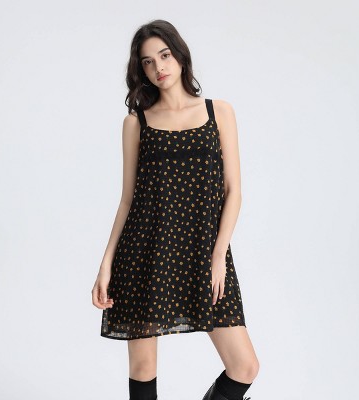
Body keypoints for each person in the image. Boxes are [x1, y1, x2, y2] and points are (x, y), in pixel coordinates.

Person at [92, 19, 259, 400]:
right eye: (148, 62)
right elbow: (128, 200)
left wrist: (218, 255)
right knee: (143, 368)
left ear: (180, 55)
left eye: (164, 55)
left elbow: (233, 191)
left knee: (245, 366)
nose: (159, 67)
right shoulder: (136, 123)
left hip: (203, 252)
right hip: (145, 252)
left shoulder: (219, 112)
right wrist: (105, 265)